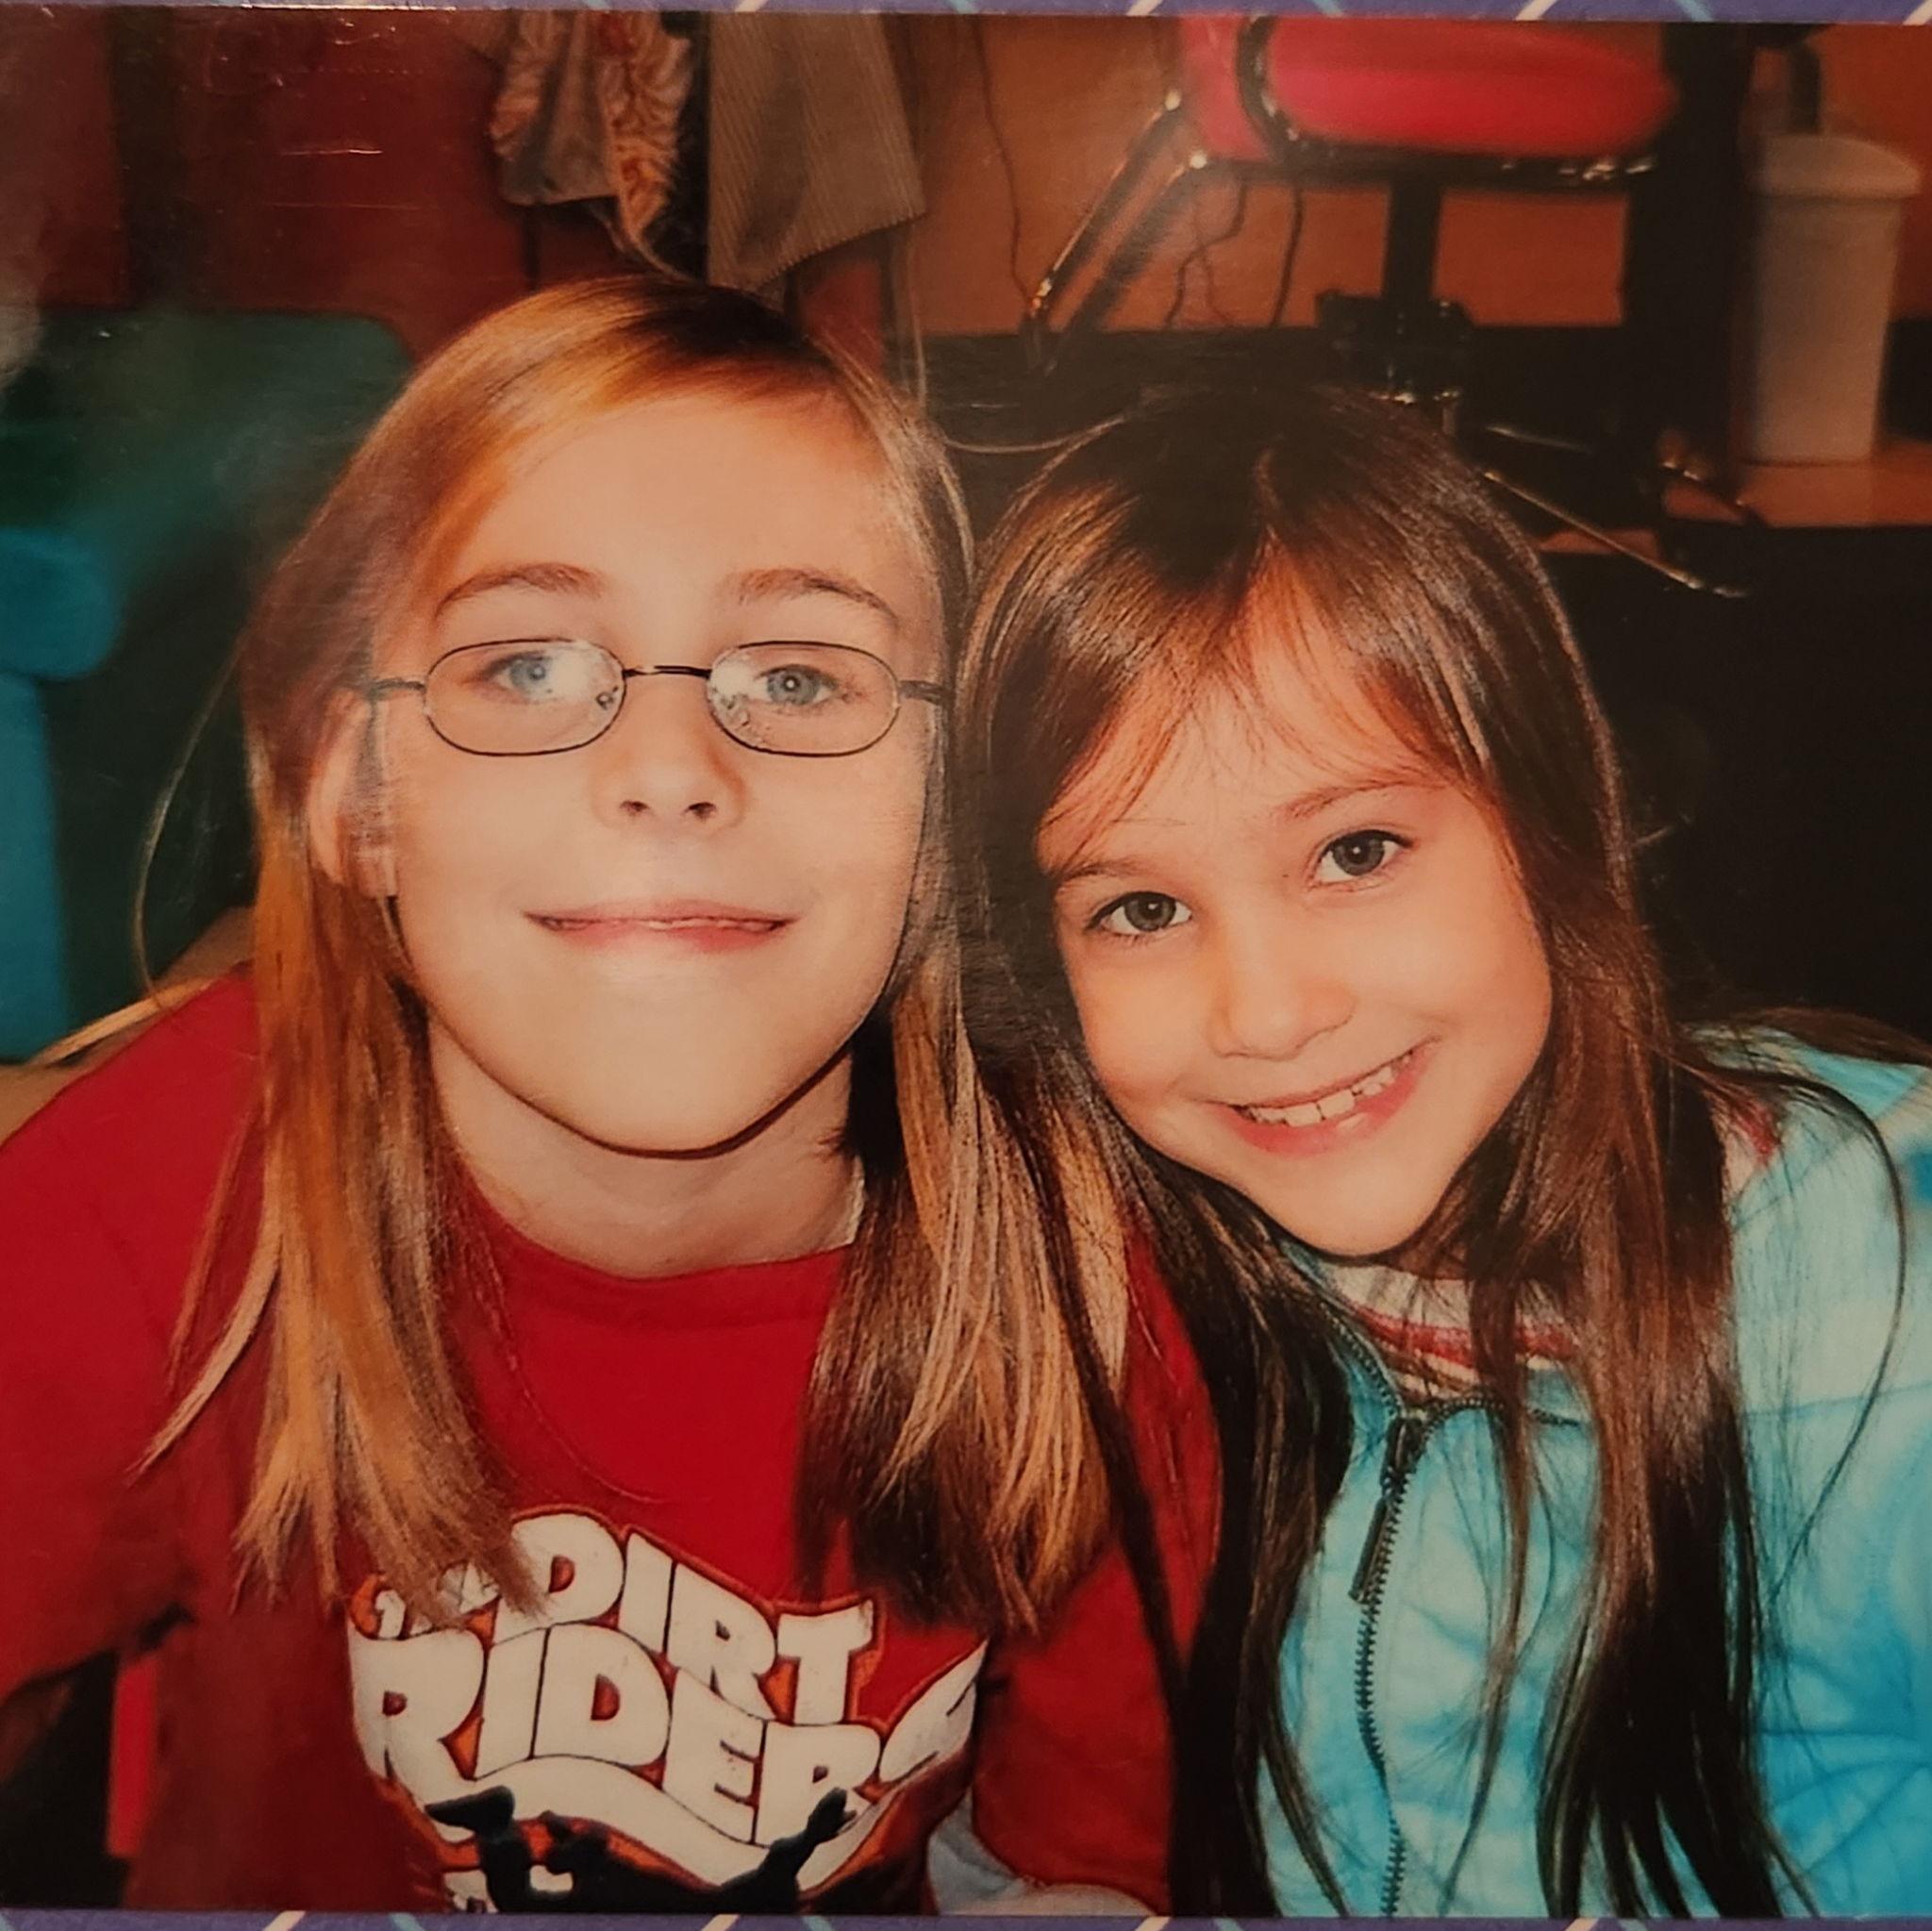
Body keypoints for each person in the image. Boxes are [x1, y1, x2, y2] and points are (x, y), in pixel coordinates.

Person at [0, 277, 1208, 1912]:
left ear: (946, 824)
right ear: (356, 796)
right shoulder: (176, 1181)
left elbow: (1085, 1860)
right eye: (527, 665)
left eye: (798, 677)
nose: (668, 766)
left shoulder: (1080, 1283)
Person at [954, 381, 1932, 1916]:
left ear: (1553, 819)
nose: (1268, 1013)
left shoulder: (1892, 1298)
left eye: (1356, 851)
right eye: (1140, 909)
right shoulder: (1175, 1293)